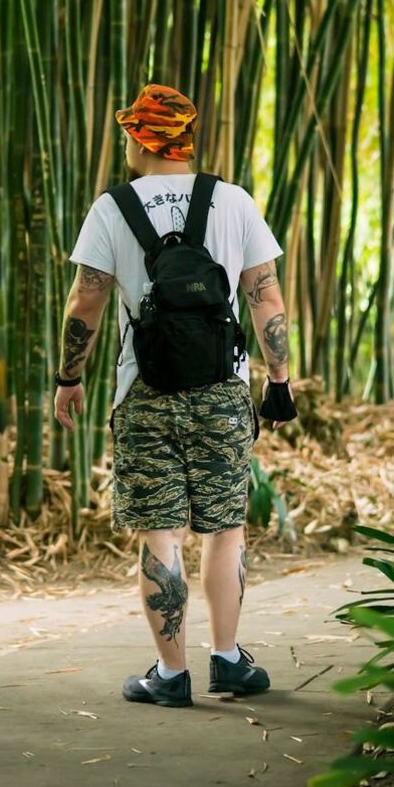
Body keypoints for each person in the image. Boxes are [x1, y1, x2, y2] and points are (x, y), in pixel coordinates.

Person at [53, 83, 298, 708]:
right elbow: (265, 298)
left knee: (161, 532)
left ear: (140, 138)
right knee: (226, 527)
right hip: (221, 390)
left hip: (145, 391)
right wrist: (277, 381)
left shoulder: (112, 207)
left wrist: (70, 376)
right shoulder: (232, 202)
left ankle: (170, 673)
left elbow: (87, 300)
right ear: (187, 139)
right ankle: (227, 660)